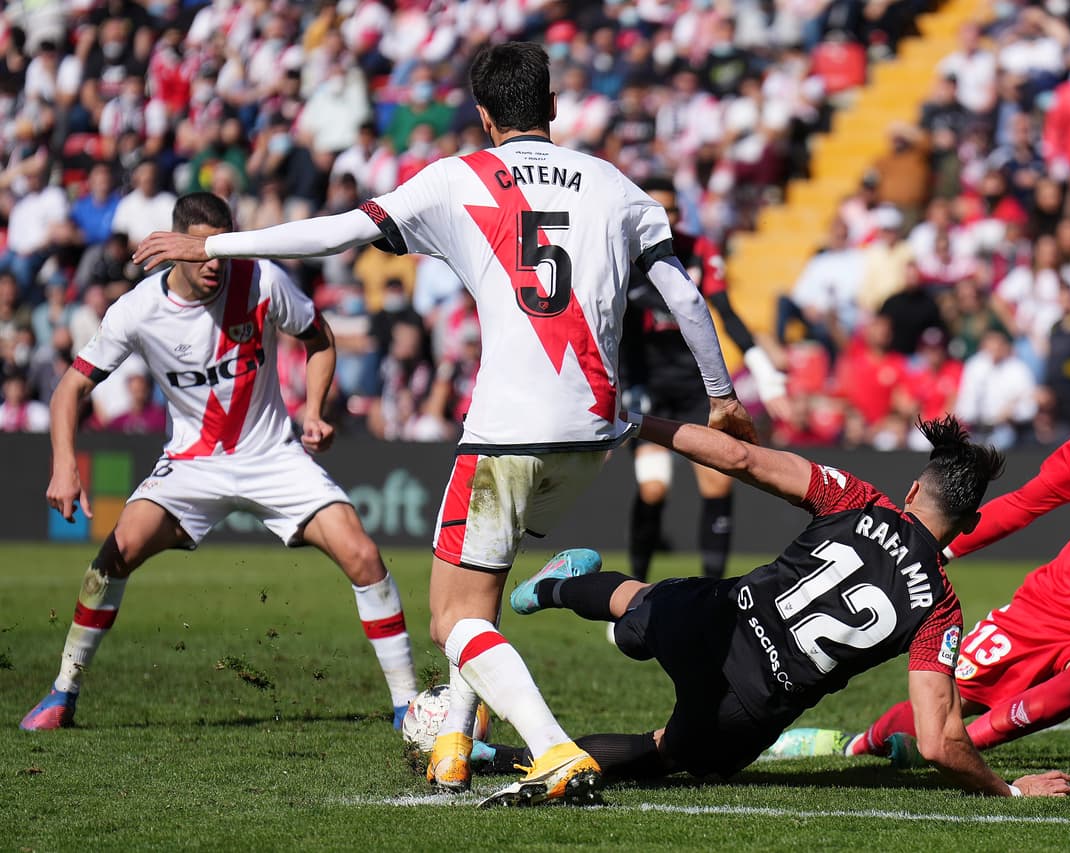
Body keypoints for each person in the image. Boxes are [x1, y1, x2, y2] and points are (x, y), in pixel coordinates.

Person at [133, 43, 754, 808]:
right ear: (552, 108)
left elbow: (335, 233)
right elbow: (687, 301)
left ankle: (552, 747)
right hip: (593, 435)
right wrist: (721, 395)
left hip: (506, 433)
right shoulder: (618, 186)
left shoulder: (458, 178)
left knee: (450, 614)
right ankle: (456, 742)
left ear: (486, 116)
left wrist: (214, 243)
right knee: (482, 589)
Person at [490, 413, 1070, 798]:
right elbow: (938, 743)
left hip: (718, 620)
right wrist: (1010, 789)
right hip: (752, 704)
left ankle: (558, 586)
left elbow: (741, 460)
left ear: (915, 490)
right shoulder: (940, 610)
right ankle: (506, 755)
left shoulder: (855, 499)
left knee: (642, 605)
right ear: (970, 523)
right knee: (667, 754)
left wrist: (635, 422)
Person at [771, 324, 1070, 776]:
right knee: (947, 700)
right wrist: (937, 550)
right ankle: (853, 744)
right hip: (1043, 609)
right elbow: (1026, 504)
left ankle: (963, 749)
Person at [21, 193, 420, 733]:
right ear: (173, 247)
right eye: (200, 251)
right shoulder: (137, 311)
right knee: (113, 556)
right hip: (191, 464)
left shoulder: (262, 281)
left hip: (273, 455)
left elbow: (320, 340)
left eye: (220, 249)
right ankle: (62, 694)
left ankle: (410, 706)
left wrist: (315, 411)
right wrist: (64, 464)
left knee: (363, 555)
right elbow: (70, 389)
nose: (213, 263)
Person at [622, 176, 788, 582]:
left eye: (672, 210)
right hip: (647, 387)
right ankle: (634, 591)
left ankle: (712, 596)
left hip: (697, 386)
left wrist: (768, 378)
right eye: (656, 210)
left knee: (718, 486)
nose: (665, 218)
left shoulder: (698, 250)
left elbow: (727, 315)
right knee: (653, 490)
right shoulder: (622, 255)